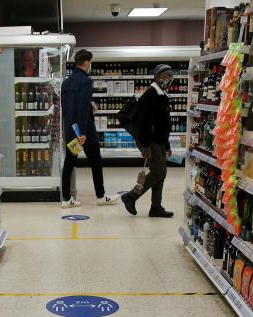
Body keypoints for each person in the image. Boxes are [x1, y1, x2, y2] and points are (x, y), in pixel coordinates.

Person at [60, 49, 118, 209]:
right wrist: (83, 133)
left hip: (71, 130)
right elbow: (81, 108)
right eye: (90, 62)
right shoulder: (85, 81)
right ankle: (101, 196)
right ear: (86, 62)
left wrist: (88, 106)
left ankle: (66, 199)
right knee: (96, 161)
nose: (90, 65)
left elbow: (69, 107)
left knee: (69, 163)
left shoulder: (66, 82)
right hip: (85, 132)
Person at [121, 64, 175, 218]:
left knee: (161, 173)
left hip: (158, 140)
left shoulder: (162, 94)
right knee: (159, 171)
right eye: (166, 75)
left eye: (171, 75)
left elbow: (163, 124)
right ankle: (131, 196)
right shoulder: (151, 94)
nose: (169, 78)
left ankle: (156, 207)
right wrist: (145, 146)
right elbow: (144, 122)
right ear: (157, 77)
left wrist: (167, 145)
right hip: (149, 140)